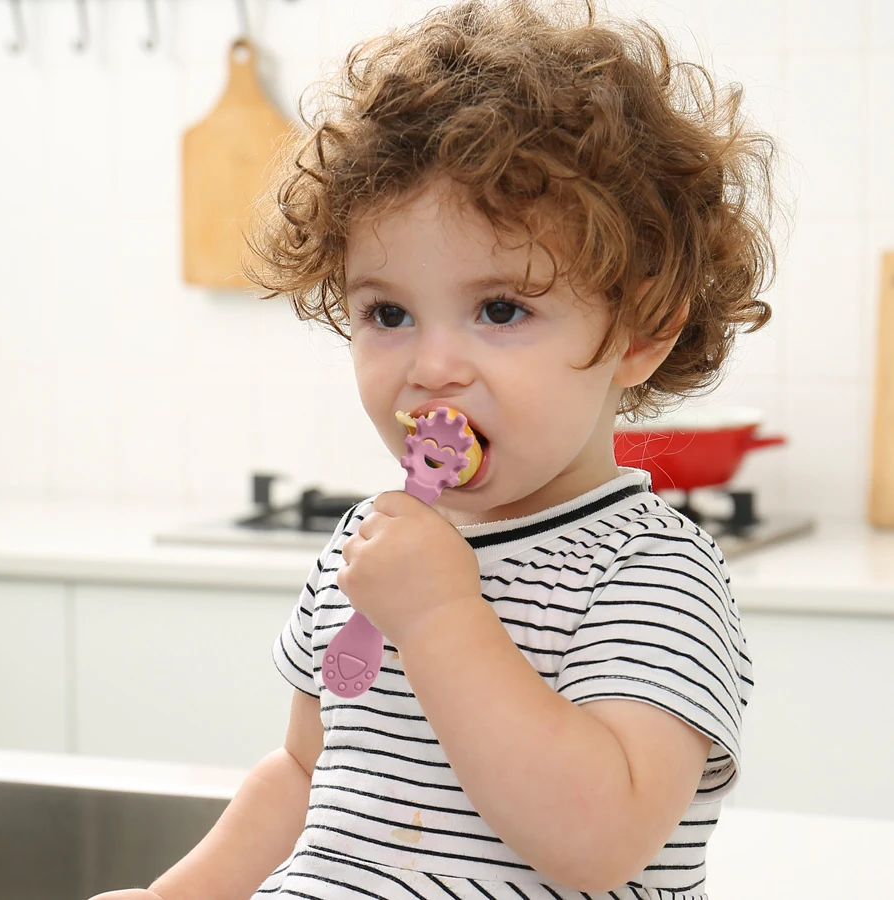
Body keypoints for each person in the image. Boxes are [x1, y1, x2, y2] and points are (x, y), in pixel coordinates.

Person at [92, 1, 777, 897]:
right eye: (389, 313)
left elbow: (598, 843)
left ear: (641, 331)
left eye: (501, 309)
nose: (431, 367)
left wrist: (443, 619)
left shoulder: (652, 573)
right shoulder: (367, 546)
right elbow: (306, 777)